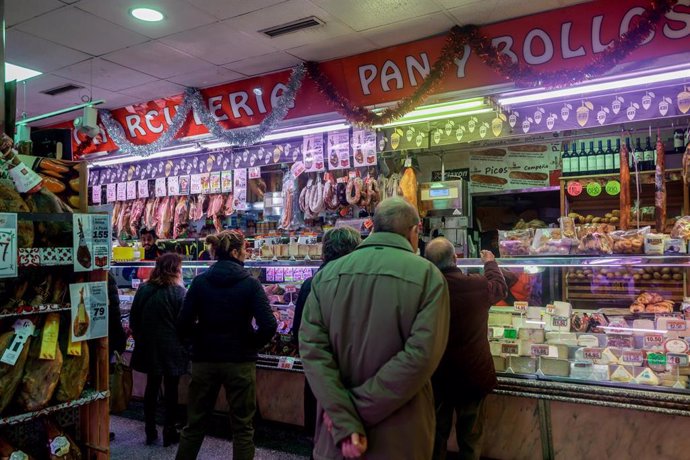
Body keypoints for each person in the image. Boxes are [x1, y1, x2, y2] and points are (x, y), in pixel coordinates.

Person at [299, 197, 450, 460]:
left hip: (338, 440)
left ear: (373, 228)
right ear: (414, 231)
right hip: (401, 439)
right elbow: (420, 357)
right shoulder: (429, 276)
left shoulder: (326, 276)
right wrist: (357, 412)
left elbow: (312, 352)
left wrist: (346, 418)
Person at [175, 230, 277, 460]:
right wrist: (251, 344)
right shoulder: (250, 284)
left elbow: (182, 323)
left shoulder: (200, 282)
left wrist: (195, 342)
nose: (246, 253)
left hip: (204, 361)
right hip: (239, 362)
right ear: (234, 252)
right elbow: (269, 325)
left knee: (194, 425)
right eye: (244, 249)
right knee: (242, 428)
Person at [424, 238, 508, 460]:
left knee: (436, 436)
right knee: (470, 440)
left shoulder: (423, 289)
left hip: (437, 375)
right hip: (472, 375)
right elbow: (500, 289)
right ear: (455, 258)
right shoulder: (477, 285)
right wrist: (490, 263)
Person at [293, 227, 362, 450]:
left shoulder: (311, 284)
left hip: (317, 376)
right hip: (351, 375)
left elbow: (298, 333)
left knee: (319, 442)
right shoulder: (358, 284)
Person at [129, 253, 188, 447]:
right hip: (171, 348)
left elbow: (133, 319)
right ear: (175, 269)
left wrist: (142, 338)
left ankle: (150, 430)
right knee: (171, 391)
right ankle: (169, 431)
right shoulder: (179, 292)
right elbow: (184, 324)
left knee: (151, 388)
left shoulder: (144, 289)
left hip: (149, 347)